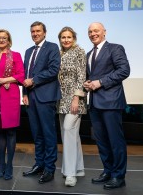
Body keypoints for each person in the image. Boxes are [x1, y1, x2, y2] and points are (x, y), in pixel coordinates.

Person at [83, 22, 130, 190]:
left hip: (111, 102)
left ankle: (119, 176)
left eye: (96, 30)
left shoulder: (115, 48)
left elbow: (124, 70)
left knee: (115, 140)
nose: (93, 33)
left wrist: (100, 82)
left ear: (104, 32)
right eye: (90, 31)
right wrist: (88, 82)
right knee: (101, 141)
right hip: (95, 103)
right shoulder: (89, 54)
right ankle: (108, 171)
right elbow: (92, 76)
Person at [22, 21, 61, 184]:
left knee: (48, 134)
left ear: (44, 33)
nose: (35, 34)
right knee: (37, 134)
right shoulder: (28, 51)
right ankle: (39, 164)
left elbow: (53, 70)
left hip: (46, 98)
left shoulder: (52, 47)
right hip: (31, 98)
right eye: (33, 31)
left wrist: (34, 80)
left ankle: (49, 169)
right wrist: (24, 93)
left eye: (38, 31)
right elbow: (25, 74)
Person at [0, 29, 25, 180]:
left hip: (11, 96)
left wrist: (5, 80)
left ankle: (9, 165)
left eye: (4, 38)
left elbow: (21, 75)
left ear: (9, 41)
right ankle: (1, 165)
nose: (2, 40)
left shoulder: (15, 55)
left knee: (10, 132)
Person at [57, 27, 87, 187]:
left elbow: (82, 75)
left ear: (74, 38)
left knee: (69, 131)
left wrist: (76, 97)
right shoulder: (59, 53)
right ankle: (78, 168)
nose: (66, 40)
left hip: (75, 99)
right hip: (61, 100)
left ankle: (70, 174)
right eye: (63, 37)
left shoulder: (79, 51)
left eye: (69, 37)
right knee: (70, 135)